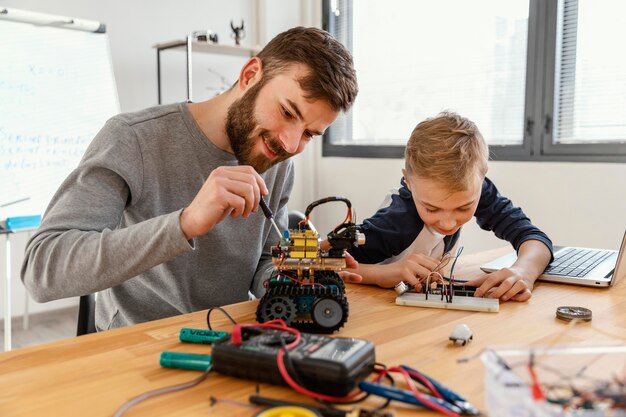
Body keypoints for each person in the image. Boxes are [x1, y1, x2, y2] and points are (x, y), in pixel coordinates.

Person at [20, 27, 359, 330]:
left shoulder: (278, 161)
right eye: (287, 112)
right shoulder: (132, 139)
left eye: (309, 134)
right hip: (137, 349)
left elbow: (266, 259)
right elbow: (42, 270)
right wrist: (184, 224)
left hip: (228, 339)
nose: (289, 142)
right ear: (251, 74)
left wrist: (290, 281)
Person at [347, 112, 553, 302]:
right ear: (409, 183)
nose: (448, 223)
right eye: (432, 209)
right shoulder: (396, 221)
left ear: (481, 179)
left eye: (463, 208)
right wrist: (382, 274)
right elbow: (324, 266)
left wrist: (524, 272)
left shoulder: (474, 187)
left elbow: (534, 238)